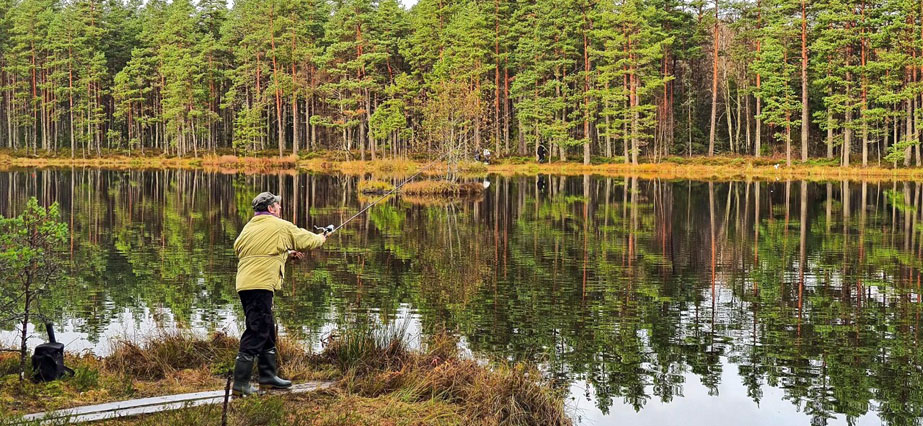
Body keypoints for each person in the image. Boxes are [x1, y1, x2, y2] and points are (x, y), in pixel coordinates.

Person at [231, 192, 327, 396]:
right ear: (271, 208)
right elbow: (307, 240)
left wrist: (286, 253)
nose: (280, 208)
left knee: (266, 328)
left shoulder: (249, 227)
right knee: (257, 330)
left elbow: (241, 249)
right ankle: (240, 385)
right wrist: (322, 236)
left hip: (246, 284)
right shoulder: (279, 225)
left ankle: (267, 377)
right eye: (278, 205)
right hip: (260, 284)